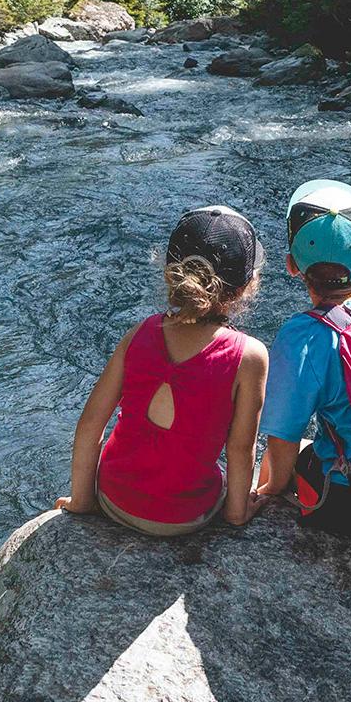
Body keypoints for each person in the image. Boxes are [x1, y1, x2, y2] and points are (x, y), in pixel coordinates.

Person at [56, 206, 269, 535]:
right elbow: (241, 448)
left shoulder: (139, 334)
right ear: (244, 288)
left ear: (170, 273)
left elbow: (90, 426)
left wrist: (83, 502)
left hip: (115, 501)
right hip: (186, 515)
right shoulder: (249, 356)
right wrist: (237, 513)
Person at [254, 179, 351, 539]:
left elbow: (284, 434)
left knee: (275, 458)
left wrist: (272, 490)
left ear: (291, 265)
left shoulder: (303, 335)